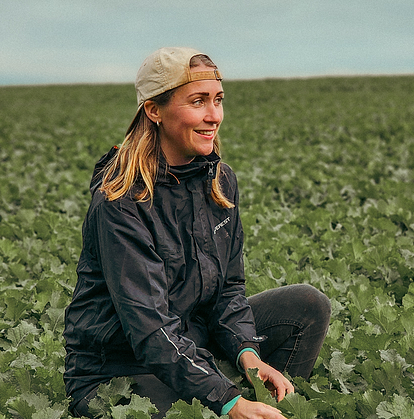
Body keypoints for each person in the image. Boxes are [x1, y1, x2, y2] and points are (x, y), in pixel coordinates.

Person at [63, 47, 331, 419]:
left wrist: (248, 355)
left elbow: (228, 290)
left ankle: (268, 407)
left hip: (190, 341)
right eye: (198, 101)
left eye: (218, 100)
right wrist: (227, 400)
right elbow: (150, 329)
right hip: (120, 371)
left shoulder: (218, 180)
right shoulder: (122, 201)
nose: (213, 115)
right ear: (154, 110)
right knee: (203, 413)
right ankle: (235, 401)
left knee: (306, 306)